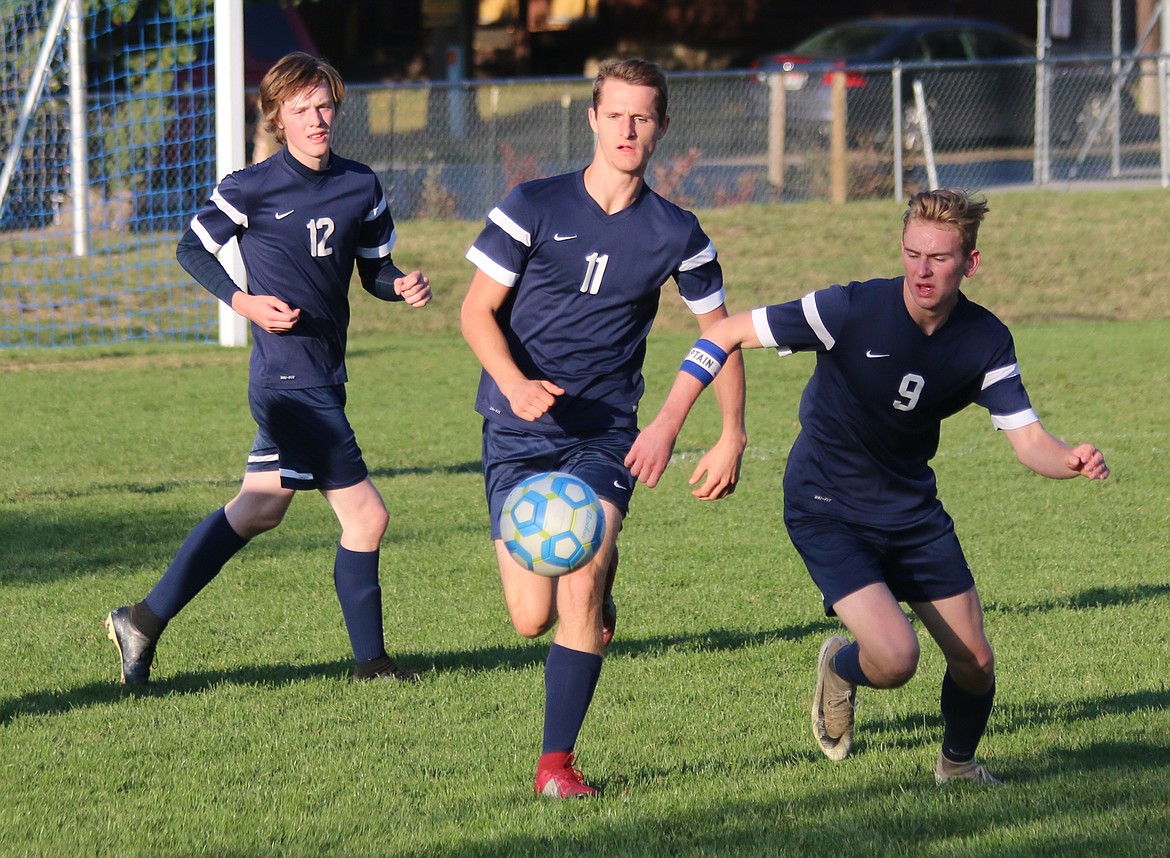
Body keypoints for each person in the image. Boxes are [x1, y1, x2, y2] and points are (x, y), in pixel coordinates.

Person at [627, 188, 1110, 785]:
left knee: (976, 660)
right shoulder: (850, 309)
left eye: (939, 258)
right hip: (827, 505)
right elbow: (723, 333)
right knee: (896, 658)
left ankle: (957, 767)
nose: (923, 270)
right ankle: (841, 667)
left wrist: (1070, 459)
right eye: (912, 253)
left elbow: (1029, 441)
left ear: (971, 263)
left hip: (910, 510)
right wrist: (671, 425)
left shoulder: (985, 340)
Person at [460, 58, 746, 798]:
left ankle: (556, 767)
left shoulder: (677, 232)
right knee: (529, 617)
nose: (627, 128)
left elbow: (723, 333)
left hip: (604, 434)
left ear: (661, 127)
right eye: (614, 113)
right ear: (591, 118)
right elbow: (475, 312)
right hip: (517, 429)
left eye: (642, 116)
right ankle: (596, 586)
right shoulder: (533, 204)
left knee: (578, 576)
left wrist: (731, 434)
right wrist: (517, 384)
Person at [103, 52, 431, 687]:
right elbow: (192, 246)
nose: (316, 119)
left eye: (324, 105)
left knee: (258, 508)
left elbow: (375, 273)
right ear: (277, 116)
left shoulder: (361, 185)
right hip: (286, 380)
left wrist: (404, 285)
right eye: (301, 109)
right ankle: (373, 666)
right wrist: (244, 301)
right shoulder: (250, 186)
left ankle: (141, 620)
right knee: (367, 518)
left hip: (323, 370)